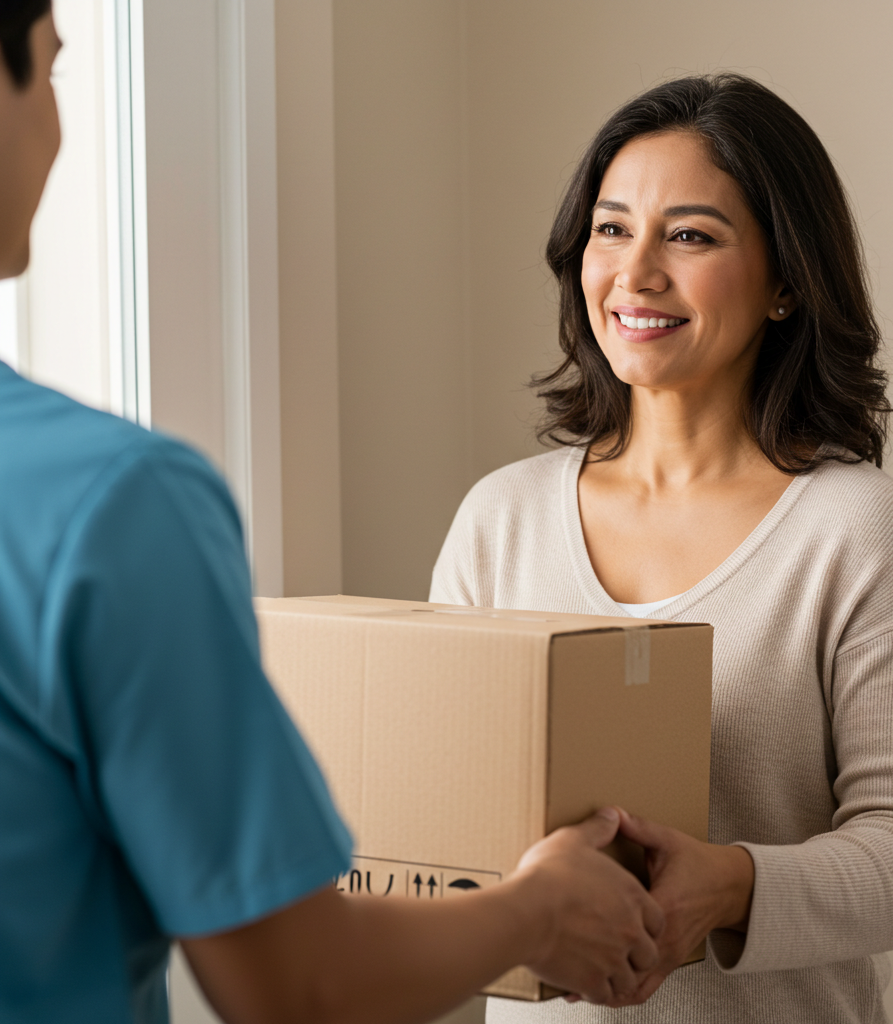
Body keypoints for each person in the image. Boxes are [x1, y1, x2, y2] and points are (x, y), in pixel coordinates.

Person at [0, 4, 667, 1022]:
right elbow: (296, 979)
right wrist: (536, 911)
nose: (56, 123)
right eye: (49, 73)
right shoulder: (111, 507)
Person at [431, 73, 893, 1024]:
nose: (635, 275)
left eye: (690, 235)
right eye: (610, 228)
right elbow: (445, 823)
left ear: (788, 283)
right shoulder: (497, 520)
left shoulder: (861, 530)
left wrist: (726, 886)